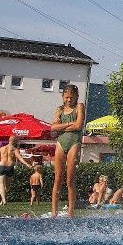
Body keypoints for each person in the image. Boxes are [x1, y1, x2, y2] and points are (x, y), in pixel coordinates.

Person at [48, 85, 86, 218]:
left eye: (71, 97)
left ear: (77, 97)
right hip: (60, 143)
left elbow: (79, 125)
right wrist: (69, 124)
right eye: (66, 97)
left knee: (70, 179)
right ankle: (54, 212)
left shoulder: (79, 107)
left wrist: (61, 127)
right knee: (57, 179)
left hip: (74, 143)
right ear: (62, 97)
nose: (68, 100)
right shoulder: (60, 109)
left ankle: (70, 212)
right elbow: (53, 128)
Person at [0, 135, 21, 205]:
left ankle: (3, 200)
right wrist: (26, 164)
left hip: (2, 166)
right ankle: (4, 200)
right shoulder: (15, 149)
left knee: (2, 185)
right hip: (10, 167)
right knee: (7, 186)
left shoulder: (1, 148)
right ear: (14, 141)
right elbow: (19, 158)